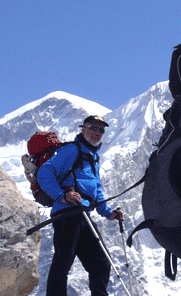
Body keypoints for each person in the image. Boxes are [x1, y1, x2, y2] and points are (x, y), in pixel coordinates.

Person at [37, 115, 124, 296]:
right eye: (93, 128)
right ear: (83, 129)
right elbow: (45, 172)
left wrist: (108, 213)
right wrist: (61, 196)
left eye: (101, 130)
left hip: (84, 214)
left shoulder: (93, 156)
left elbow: (96, 190)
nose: (97, 133)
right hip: (68, 213)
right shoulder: (72, 149)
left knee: (101, 262)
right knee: (64, 260)